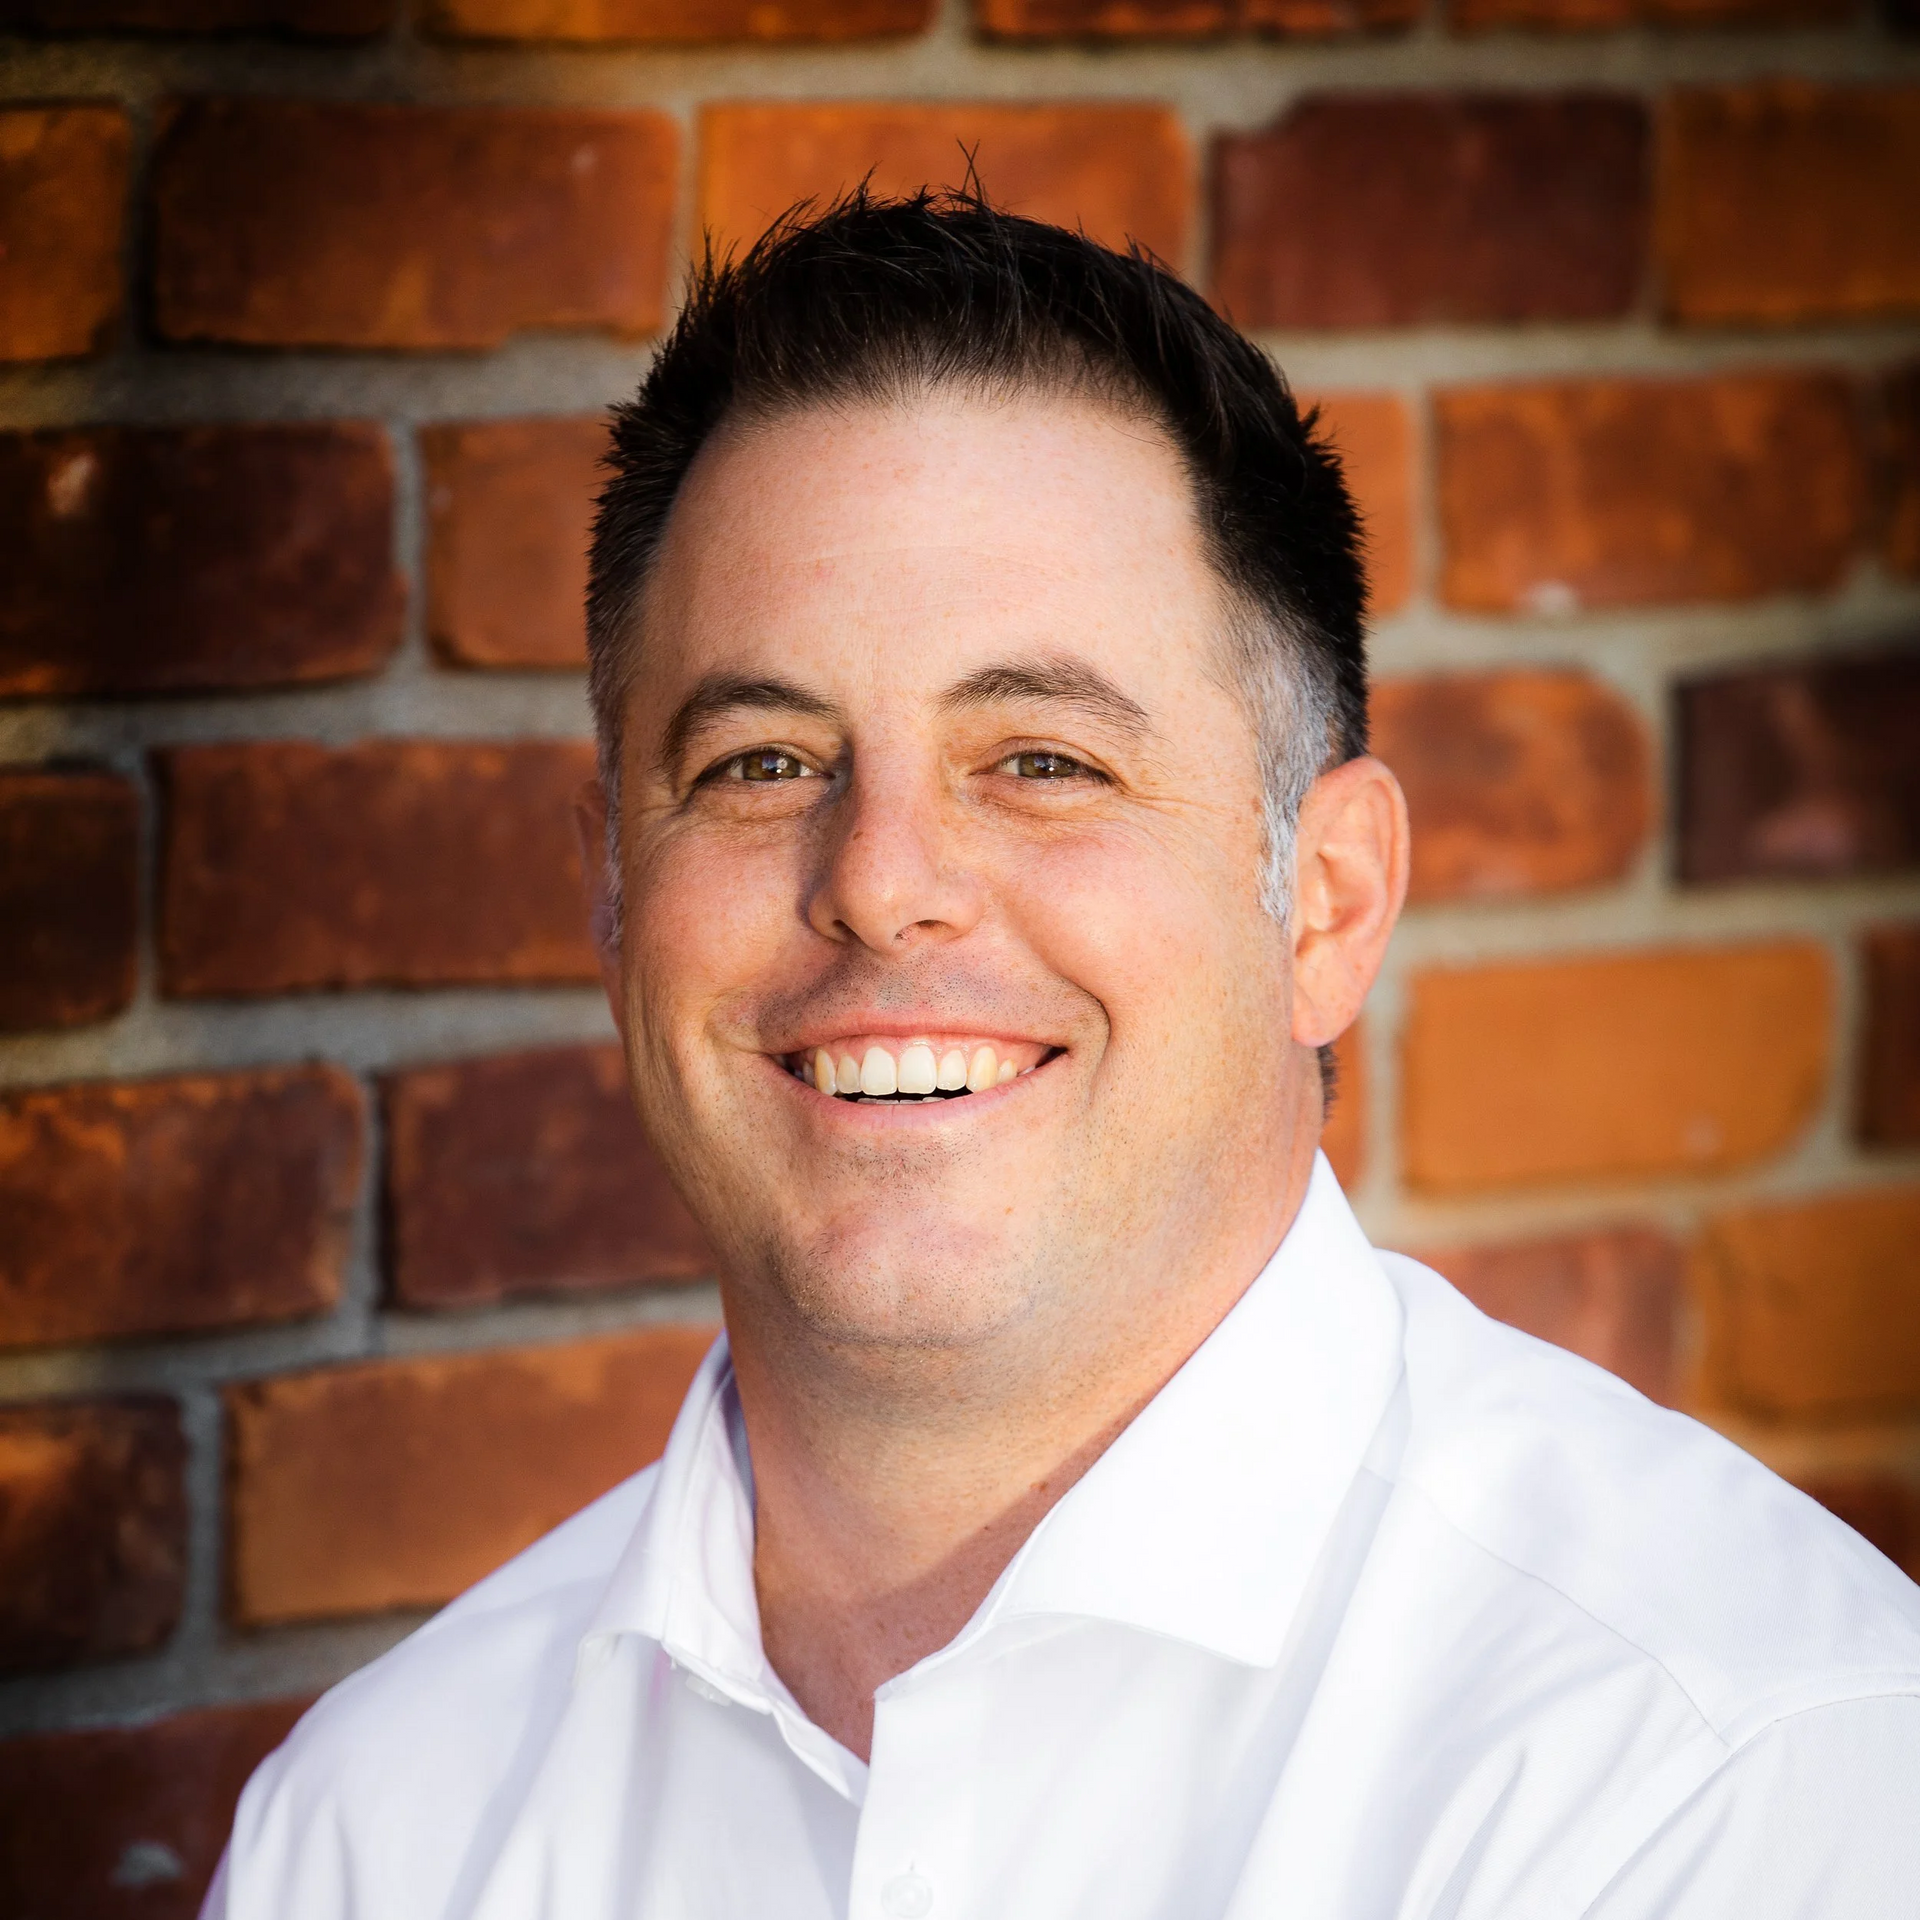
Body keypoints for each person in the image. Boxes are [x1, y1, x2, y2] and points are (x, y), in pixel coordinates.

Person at [203, 189, 1920, 1920]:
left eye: (1041, 760)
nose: (881, 886)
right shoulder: (377, 1833)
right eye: (763, 763)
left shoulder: (1722, 1777)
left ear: (1323, 904)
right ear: (613, 892)